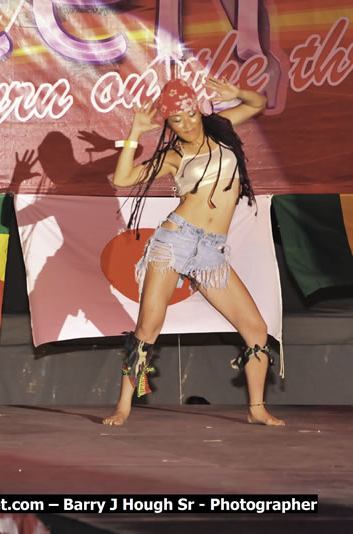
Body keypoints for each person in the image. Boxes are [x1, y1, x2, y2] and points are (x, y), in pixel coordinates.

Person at [103, 77, 284, 426]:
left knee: (256, 329)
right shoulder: (174, 155)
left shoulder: (223, 130)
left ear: (198, 110)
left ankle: (256, 409)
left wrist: (237, 93)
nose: (185, 124)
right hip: (175, 241)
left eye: (189, 114)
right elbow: (123, 179)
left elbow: (259, 103)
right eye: (176, 120)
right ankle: (123, 405)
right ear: (168, 124)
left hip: (211, 251)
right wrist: (135, 133)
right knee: (148, 328)